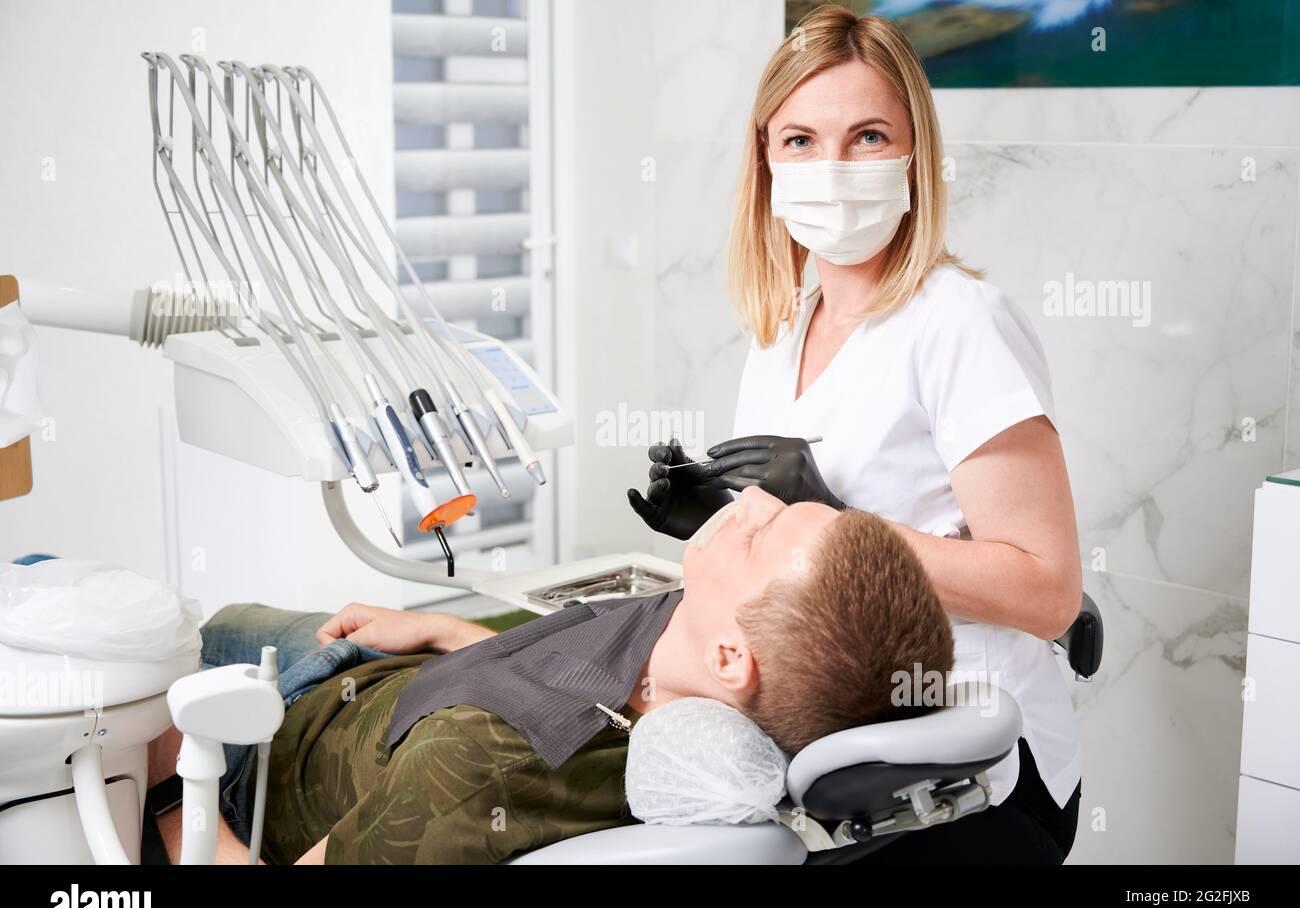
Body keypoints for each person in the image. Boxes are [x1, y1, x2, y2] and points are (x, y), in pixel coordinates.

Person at [628, 5, 1083, 864]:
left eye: (867, 136)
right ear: (764, 160)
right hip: (831, 730)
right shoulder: (782, 324)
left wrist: (837, 523)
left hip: (960, 764)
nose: (830, 168)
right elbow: (793, 564)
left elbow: (1048, 592)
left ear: (915, 153)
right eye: (799, 140)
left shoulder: (960, 325)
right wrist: (725, 520)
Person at [150, 487, 953, 864]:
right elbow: (566, 687)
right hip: (389, 677)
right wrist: (443, 633)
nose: (748, 497)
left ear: (732, 660)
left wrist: (164, 783)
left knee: (135, 644)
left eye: (762, 533)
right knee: (189, 615)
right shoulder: (692, 663)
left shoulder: (479, 772)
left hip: (261, 753)